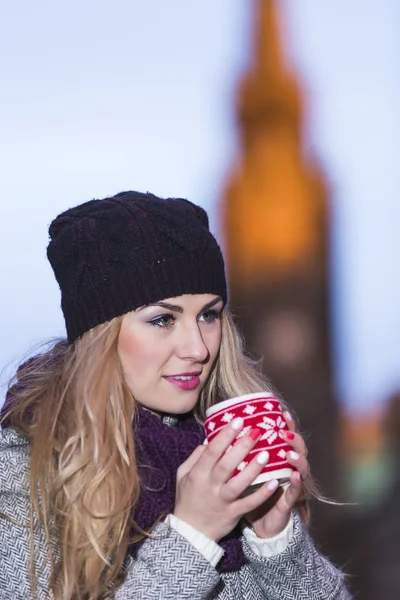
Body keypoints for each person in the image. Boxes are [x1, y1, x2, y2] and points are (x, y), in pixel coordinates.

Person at [0, 191, 351, 599]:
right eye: (163, 319)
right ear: (101, 336)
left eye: (209, 315)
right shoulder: (25, 476)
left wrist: (275, 540)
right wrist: (193, 536)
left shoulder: (220, 452)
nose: (198, 348)